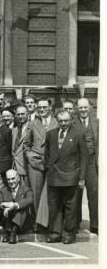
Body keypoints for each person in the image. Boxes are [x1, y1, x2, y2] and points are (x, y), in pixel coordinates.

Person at [45, 110, 88, 244]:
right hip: (54, 177)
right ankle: (55, 233)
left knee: (71, 207)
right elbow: (47, 154)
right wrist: (49, 169)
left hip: (71, 177)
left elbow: (84, 156)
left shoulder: (78, 134)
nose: (63, 123)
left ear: (70, 120)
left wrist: (81, 177)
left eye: (66, 120)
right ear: (57, 121)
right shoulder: (50, 134)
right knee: (54, 206)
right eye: (61, 121)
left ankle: (69, 234)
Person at [72, 98, 98, 234]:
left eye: (85, 107)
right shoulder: (72, 122)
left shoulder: (97, 122)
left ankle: (95, 224)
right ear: (77, 108)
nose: (83, 110)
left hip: (92, 163)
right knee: (76, 194)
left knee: (94, 194)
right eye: (80, 107)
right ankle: (75, 223)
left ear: (89, 108)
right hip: (78, 163)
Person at [0, 169, 35, 244]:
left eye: (13, 178)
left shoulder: (26, 189)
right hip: (8, 222)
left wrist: (15, 205)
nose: (11, 181)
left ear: (18, 178)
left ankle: (13, 233)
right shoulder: (3, 190)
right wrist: (6, 206)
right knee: (3, 210)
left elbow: (30, 200)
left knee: (22, 208)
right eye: (8, 179)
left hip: (23, 224)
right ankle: (9, 231)